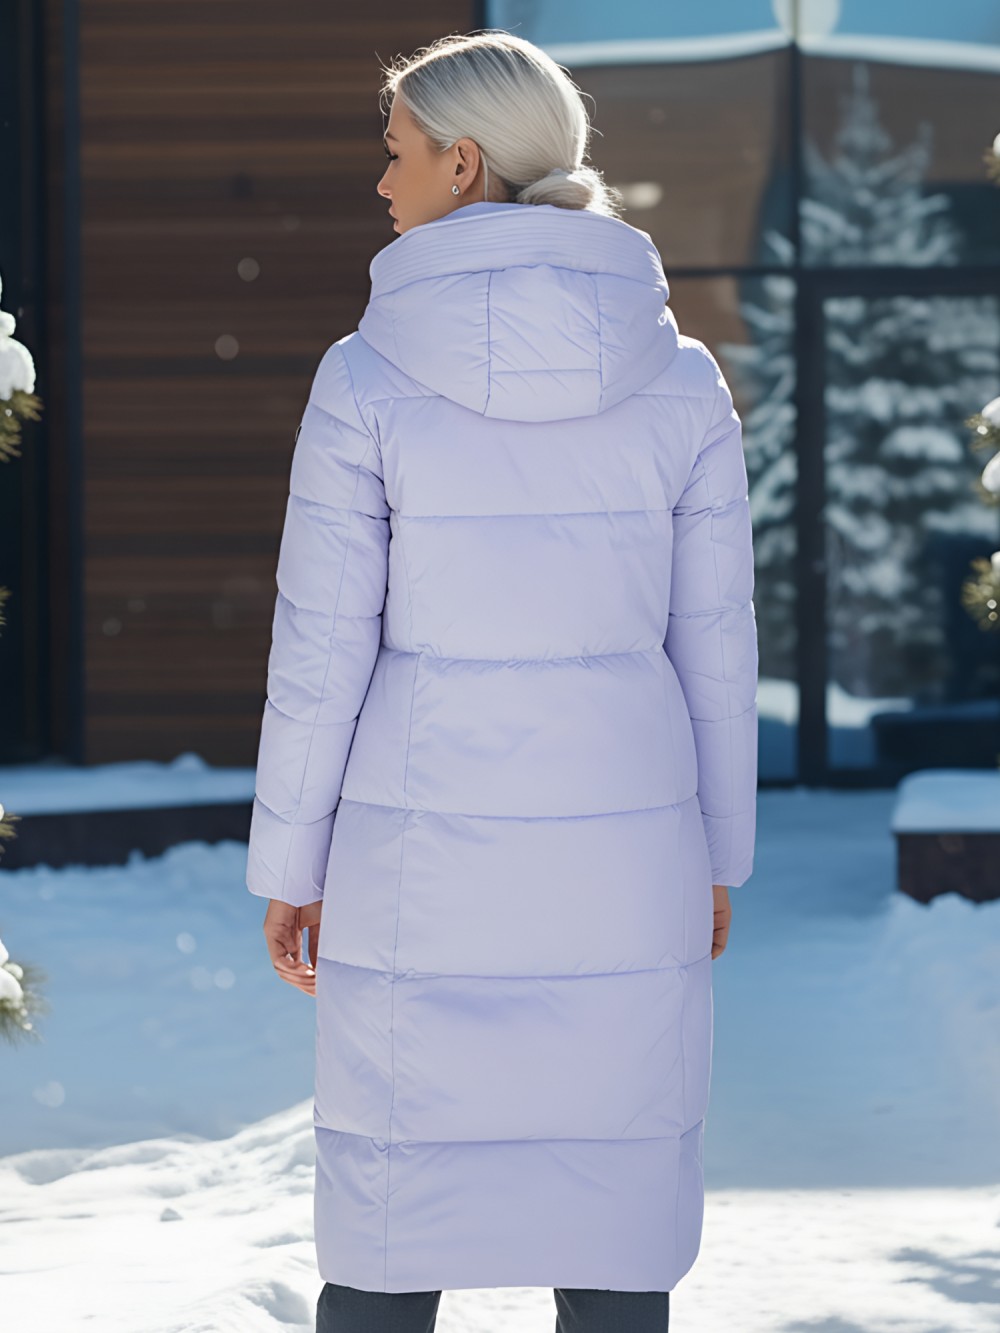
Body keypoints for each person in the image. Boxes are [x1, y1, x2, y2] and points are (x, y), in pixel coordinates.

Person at [244, 29, 758, 1333]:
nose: (383, 183)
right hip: (626, 845)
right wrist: (718, 852)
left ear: (464, 164)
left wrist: (292, 863)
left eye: (397, 153)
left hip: (418, 858)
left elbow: (321, 647)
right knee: (611, 1196)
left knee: (394, 1210)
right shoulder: (683, 382)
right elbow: (715, 644)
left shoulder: (363, 377)